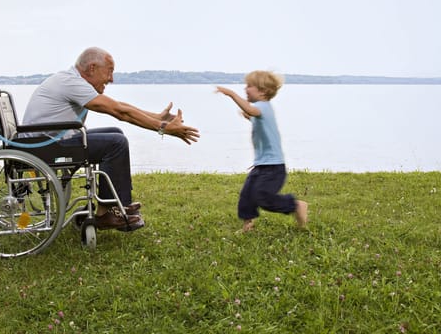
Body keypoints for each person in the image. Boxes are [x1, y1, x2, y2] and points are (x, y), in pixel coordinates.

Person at [22, 47, 200, 231]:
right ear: (92, 68)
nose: (111, 79)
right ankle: (106, 213)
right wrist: (163, 128)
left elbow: (120, 106)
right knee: (116, 143)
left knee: (116, 133)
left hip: (48, 141)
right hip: (45, 147)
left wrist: (157, 118)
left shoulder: (72, 80)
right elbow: (119, 111)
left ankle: (117, 204)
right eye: (109, 71)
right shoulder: (71, 83)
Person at [215, 71, 308, 232]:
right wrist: (247, 116)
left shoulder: (262, 106)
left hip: (273, 168)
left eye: (249, 86)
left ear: (263, 91)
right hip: (262, 166)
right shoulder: (262, 109)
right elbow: (253, 115)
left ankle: (295, 205)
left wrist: (231, 94)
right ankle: (248, 225)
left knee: (263, 198)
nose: (246, 89)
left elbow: (251, 110)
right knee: (247, 195)